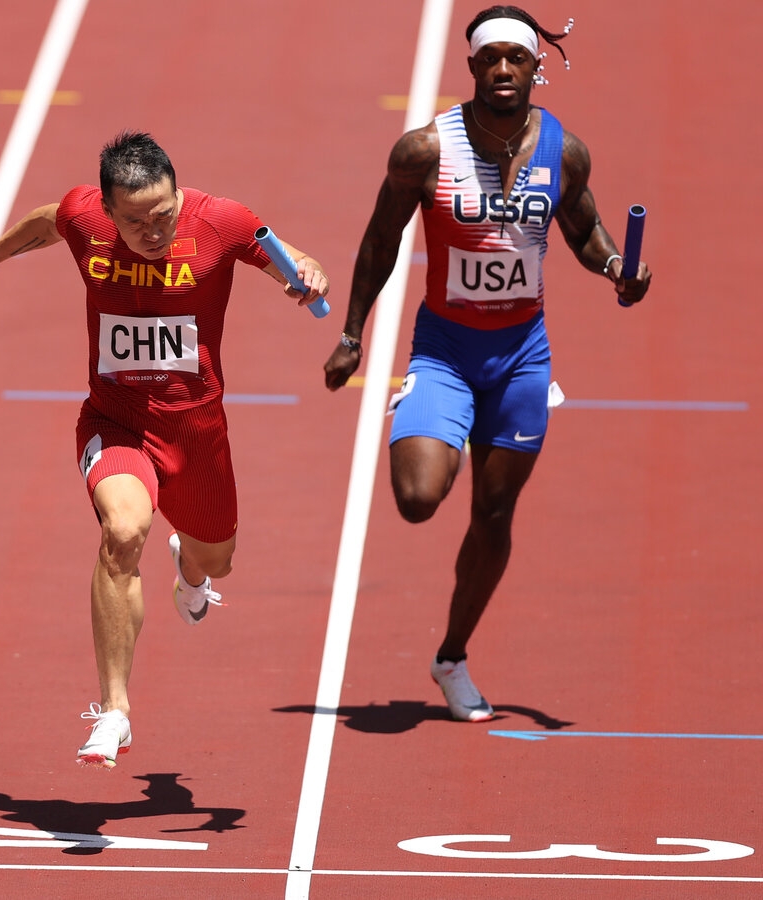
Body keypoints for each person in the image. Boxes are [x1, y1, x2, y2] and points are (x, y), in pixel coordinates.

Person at [0, 131, 329, 767]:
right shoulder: (83, 215)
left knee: (218, 560)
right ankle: (114, 711)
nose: (154, 232)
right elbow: (48, 221)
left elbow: (288, 258)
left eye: (163, 215)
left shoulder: (223, 221)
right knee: (122, 533)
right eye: (136, 222)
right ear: (107, 209)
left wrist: (308, 274)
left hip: (196, 430)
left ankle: (191, 570)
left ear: (178, 194)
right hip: (115, 419)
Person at [322, 5, 651, 722]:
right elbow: (380, 239)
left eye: (517, 58)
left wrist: (617, 269)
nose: (503, 69)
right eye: (490, 58)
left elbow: (584, 228)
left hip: (522, 356)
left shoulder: (564, 152)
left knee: (494, 515)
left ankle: (452, 657)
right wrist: (352, 333)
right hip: (445, 348)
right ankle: (441, 419)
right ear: (471, 66)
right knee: (417, 498)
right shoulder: (423, 151)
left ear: (536, 67)